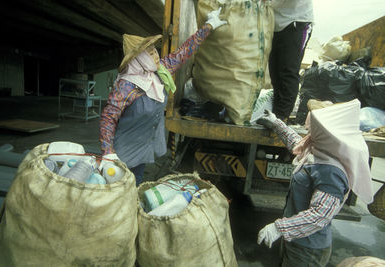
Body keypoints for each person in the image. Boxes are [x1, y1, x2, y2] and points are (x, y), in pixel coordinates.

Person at [99, 8, 227, 186]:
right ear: (138, 58)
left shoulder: (158, 73)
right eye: (150, 52)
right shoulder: (125, 86)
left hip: (143, 149)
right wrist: (107, 152)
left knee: (135, 188)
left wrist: (209, 25)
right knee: (119, 192)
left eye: (154, 50)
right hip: (122, 154)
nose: (156, 55)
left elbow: (184, 52)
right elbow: (108, 117)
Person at [256, 99, 373, 267]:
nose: (306, 130)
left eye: (311, 129)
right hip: (297, 240)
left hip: (307, 251)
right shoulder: (320, 149)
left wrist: (280, 228)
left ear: (323, 133)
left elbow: (319, 215)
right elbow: (297, 143)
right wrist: (277, 123)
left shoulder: (331, 172)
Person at [269, 0, 314, 122]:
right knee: (275, 74)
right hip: (276, 25)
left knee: (288, 71)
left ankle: (282, 117)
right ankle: (276, 115)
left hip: (296, 23)